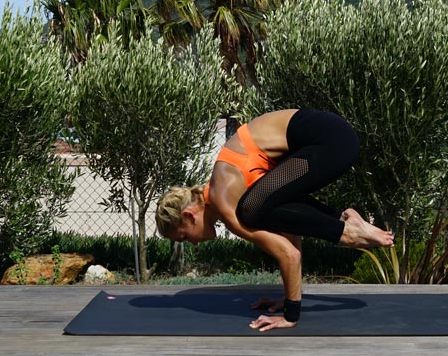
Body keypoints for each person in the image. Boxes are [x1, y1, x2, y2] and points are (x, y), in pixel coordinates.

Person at [156, 109, 394, 332]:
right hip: (334, 137)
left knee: (249, 211)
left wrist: (290, 316)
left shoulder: (224, 201)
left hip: (330, 140)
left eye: (185, 237)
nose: (194, 243)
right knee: (258, 207)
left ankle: (346, 231)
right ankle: (344, 219)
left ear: (189, 215)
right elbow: (290, 232)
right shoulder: (230, 188)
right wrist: (289, 296)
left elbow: (288, 254)